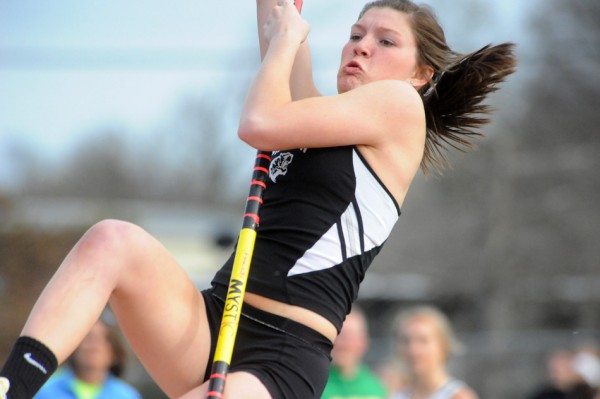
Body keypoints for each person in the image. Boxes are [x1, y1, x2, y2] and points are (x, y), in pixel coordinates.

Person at [0, 1, 515, 398]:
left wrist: (287, 41)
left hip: (282, 355)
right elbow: (276, 23)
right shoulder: (316, 115)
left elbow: (259, 123)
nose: (360, 46)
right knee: (111, 240)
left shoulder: (401, 107)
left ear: (420, 73)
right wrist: (282, 35)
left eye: (385, 41)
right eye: (356, 35)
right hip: (213, 316)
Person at [34, 319, 140, 399]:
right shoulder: (44, 392)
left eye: (104, 340)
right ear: (73, 346)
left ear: (115, 353)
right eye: (88, 338)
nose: (94, 346)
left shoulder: (127, 396)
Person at [388, 306, 478, 399]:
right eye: (405, 341)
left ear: (443, 346)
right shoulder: (397, 395)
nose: (412, 350)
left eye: (423, 341)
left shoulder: (458, 396)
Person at [321, 307, 387, 399]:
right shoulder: (314, 382)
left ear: (363, 342)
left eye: (349, 337)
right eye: (338, 335)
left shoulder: (378, 386)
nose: (342, 344)